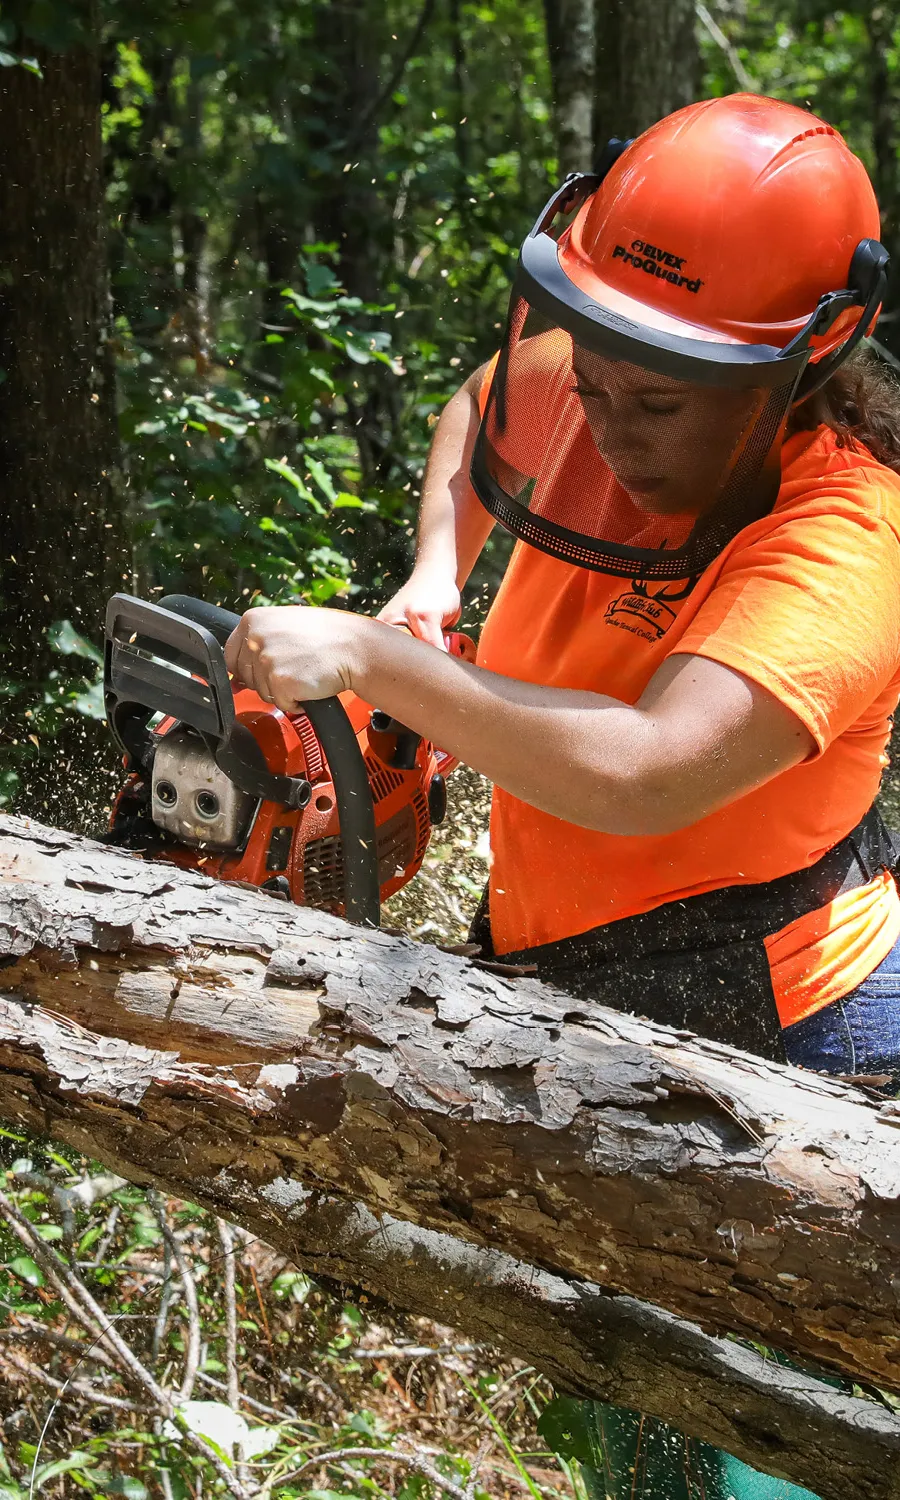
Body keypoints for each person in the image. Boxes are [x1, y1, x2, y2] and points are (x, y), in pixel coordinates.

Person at [225, 94, 900, 1497]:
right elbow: (482, 406)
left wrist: (373, 669)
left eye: (655, 404)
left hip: (785, 1032)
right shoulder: (613, 368)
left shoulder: (848, 540)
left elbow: (652, 768)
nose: (604, 422)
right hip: (570, 992)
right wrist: (426, 584)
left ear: (796, 367)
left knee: (776, 1447)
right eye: (596, 379)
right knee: (625, 1425)